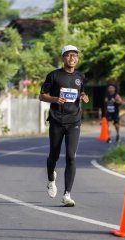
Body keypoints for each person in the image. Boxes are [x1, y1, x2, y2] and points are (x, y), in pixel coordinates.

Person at [39, 45, 89, 207]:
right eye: (68, 55)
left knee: (71, 156)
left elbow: (81, 92)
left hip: (74, 121)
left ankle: (67, 194)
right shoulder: (53, 76)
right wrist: (54, 99)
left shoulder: (80, 76)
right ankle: (51, 179)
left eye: (75, 55)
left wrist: (83, 96)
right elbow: (42, 96)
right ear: (63, 58)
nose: (72, 58)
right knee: (54, 154)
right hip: (56, 120)